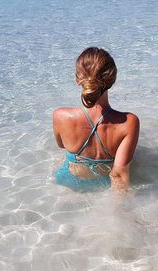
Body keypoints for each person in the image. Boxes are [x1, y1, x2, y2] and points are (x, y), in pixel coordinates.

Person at [53, 47, 140, 192]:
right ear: (112, 80)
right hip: (104, 184)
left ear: (77, 79)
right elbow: (118, 175)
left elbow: (62, 145)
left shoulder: (59, 116)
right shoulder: (128, 123)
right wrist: (120, 212)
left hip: (68, 182)